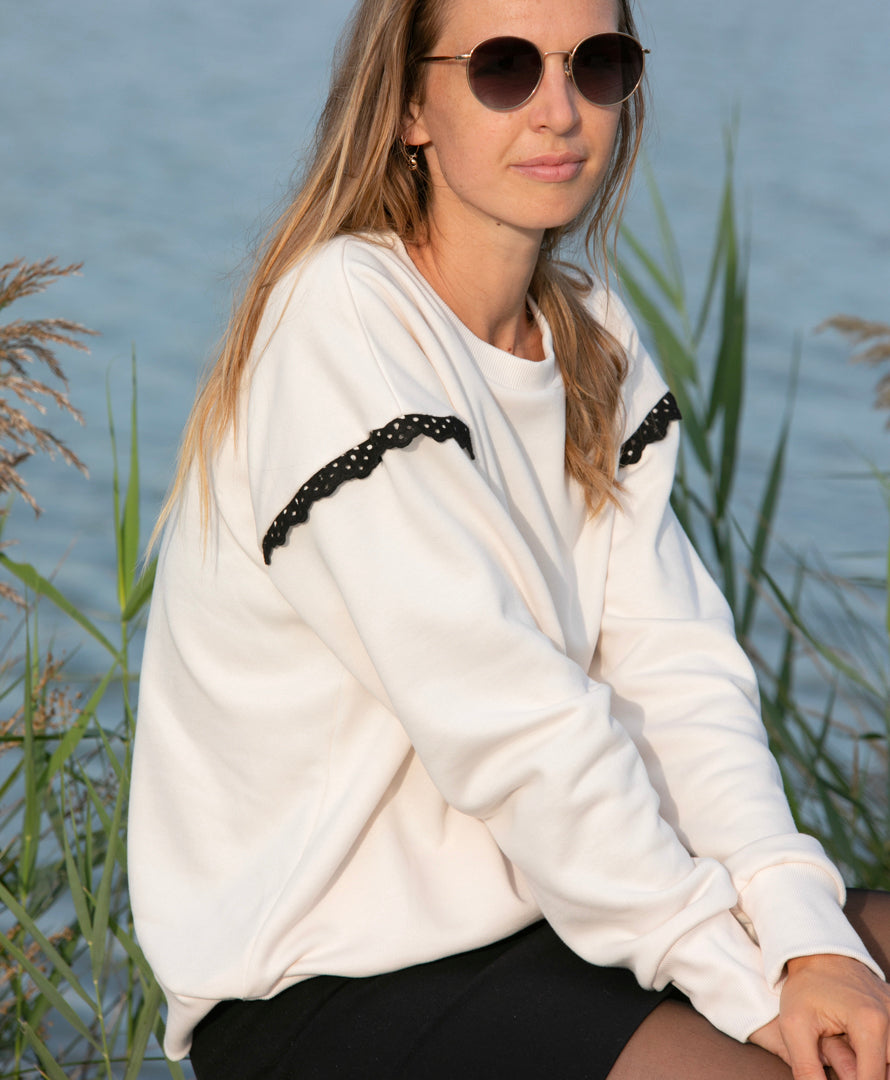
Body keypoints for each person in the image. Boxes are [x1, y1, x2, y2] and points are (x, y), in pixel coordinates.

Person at [128, 0, 890, 1076]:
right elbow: (510, 724)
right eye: (501, 67)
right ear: (408, 108)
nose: (558, 109)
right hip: (328, 981)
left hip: (551, 918)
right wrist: (738, 978)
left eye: (597, 65)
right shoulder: (343, 322)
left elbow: (675, 683)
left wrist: (801, 933)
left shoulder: (593, 338)